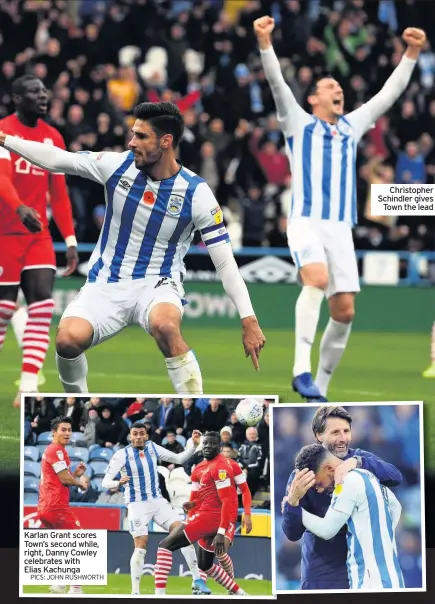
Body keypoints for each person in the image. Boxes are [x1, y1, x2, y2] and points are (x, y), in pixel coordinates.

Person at [0, 101, 265, 395]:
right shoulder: (117, 166)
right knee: (66, 340)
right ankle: (79, 408)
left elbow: (226, 264)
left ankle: (195, 411)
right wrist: (5, 139)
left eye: (141, 136)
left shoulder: (196, 193)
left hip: (158, 283)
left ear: (165, 142)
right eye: (132, 134)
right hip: (106, 283)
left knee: (166, 326)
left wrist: (248, 318)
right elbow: (60, 159)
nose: (131, 142)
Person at [254, 17, 426, 401]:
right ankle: (300, 368)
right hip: (307, 221)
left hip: (340, 227)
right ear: (313, 99)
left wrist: (412, 54)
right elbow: (278, 85)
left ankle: (321, 389)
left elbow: (388, 94)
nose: (338, 89)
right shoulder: (297, 123)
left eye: (340, 87)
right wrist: (265, 43)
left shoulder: (351, 126)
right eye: (329, 87)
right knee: (314, 278)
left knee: (345, 311)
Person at [0, 75, 78, 407]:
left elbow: (58, 195)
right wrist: (18, 207)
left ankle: (29, 384)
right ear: (17, 98)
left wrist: (70, 238)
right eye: (35, 92)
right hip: (5, 231)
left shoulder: (52, 138)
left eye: (44, 92)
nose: (43, 96)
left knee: (43, 303)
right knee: (3, 309)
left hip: (38, 235)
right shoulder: (4, 130)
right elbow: (1, 177)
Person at [281, 405, 403, 590]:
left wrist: (357, 462)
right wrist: (292, 503)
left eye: (346, 431)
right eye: (335, 432)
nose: (343, 438)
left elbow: (395, 476)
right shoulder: (303, 474)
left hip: (361, 569)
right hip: (321, 574)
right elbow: (292, 533)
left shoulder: (359, 458)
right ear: (319, 435)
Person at [101, 423, 210, 596]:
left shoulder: (152, 447)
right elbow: (105, 482)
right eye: (135, 434)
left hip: (157, 501)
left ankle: (197, 580)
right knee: (141, 543)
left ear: (146, 436)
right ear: (130, 436)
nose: (138, 437)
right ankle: (135, 592)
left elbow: (179, 459)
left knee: (183, 532)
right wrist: (118, 482)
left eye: (141, 434)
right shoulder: (121, 455)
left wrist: (194, 446)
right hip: (137, 504)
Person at [153, 432, 250, 596]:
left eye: (212, 444)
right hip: (210, 516)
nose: (207, 447)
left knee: (165, 546)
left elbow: (238, 495)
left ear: (220, 447)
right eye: (205, 444)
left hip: (217, 517)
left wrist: (246, 514)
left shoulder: (225, 467)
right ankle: (239, 593)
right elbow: (195, 498)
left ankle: (159, 595)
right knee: (205, 565)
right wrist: (191, 507)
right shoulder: (198, 469)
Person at [37, 416, 87, 594]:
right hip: (55, 505)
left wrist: (75, 474)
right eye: (63, 430)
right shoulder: (56, 450)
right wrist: (80, 482)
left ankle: (58, 583)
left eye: (69, 430)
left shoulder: (55, 451)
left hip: (46, 506)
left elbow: (62, 479)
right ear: (54, 432)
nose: (67, 433)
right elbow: (65, 479)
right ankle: (75, 589)